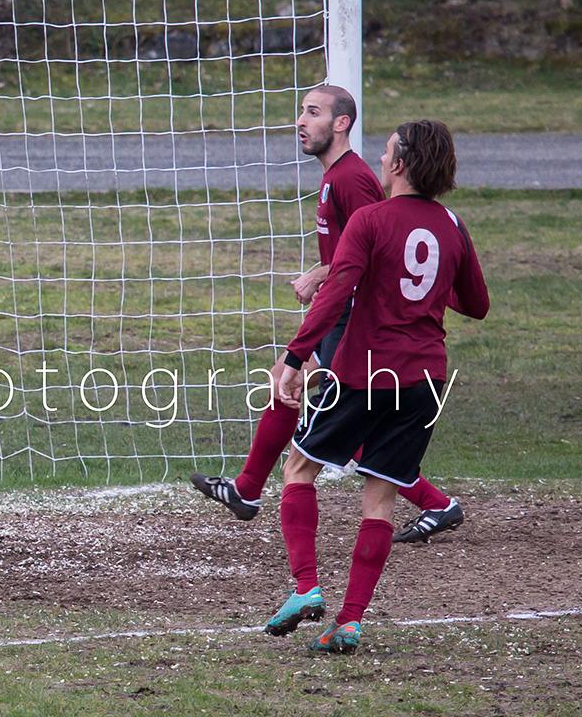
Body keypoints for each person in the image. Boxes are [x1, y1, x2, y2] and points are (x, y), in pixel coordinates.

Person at [191, 86, 465, 543]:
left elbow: (381, 248)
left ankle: (435, 502)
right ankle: (248, 489)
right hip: (342, 312)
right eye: (301, 111)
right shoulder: (335, 176)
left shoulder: (351, 178)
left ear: (341, 124)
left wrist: (321, 274)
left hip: (355, 316)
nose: (300, 121)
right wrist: (324, 272)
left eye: (313, 112)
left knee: (334, 414)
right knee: (294, 391)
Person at [265, 120, 489, 653]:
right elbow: (477, 304)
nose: (381, 160)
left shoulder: (369, 219)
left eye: (387, 152)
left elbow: (334, 295)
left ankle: (305, 586)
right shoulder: (452, 224)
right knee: (381, 495)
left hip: (364, 373)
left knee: (298, 467)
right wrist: (425, 294)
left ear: (401, 165)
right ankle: (349, 622)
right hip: (426, 380)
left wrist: (293, 358)